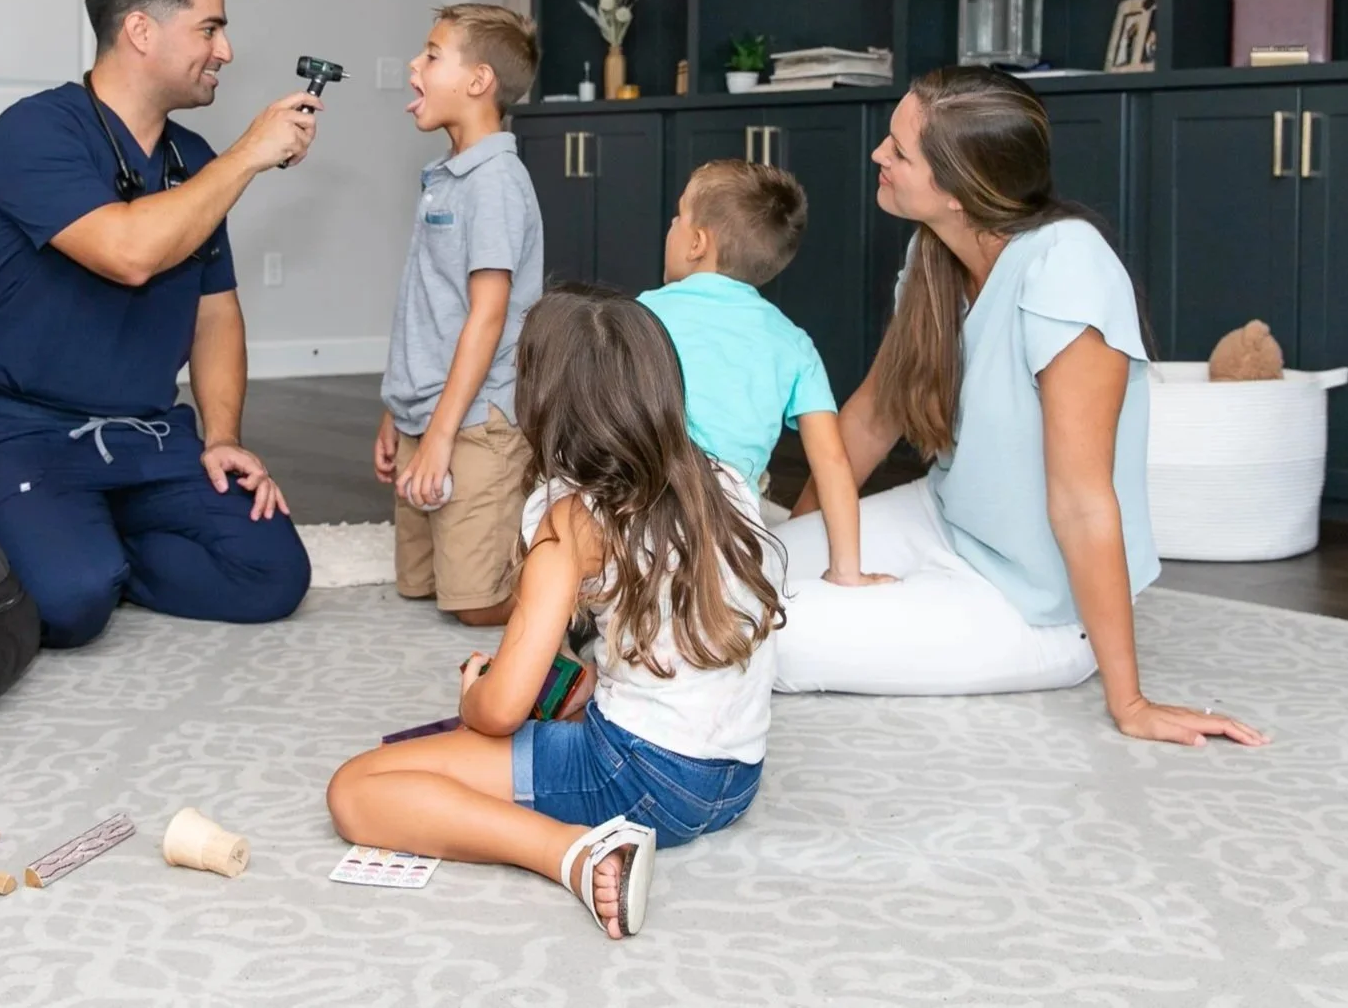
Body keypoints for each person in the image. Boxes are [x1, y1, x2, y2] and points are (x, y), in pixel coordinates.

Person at [769, 66, 1268, 749]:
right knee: (727, 582)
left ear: (960, 190)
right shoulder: (932, 255)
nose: (877, 155)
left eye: (899, 150)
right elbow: (866, 421)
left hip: (1030, 605)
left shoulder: (1066, 268)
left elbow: (1082, 500)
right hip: (942, 518)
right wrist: (781, 552)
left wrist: (1129, 700)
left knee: (750, 636)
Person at [329, 286, 785, 939]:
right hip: (736, 777)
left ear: (543, 407)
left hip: (638, 775)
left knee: (357, 788)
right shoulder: (725, 481)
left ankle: (571, 853)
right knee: (539, 706)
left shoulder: (573, 518)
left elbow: (502, 709)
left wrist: (475, 698)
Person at [0, 0, 322, 649]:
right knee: (69, 604)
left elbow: (215, 313)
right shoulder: (33, 131)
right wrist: (248, 154)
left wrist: (220, 438)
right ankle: (59, 538)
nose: (226, 52)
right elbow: (128, 252)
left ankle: (94, 537)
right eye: (210, 28)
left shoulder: (194, 159)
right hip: (26, 431)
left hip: (149, 435)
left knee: (270, 574)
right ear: (140, 30)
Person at [638, 159, 892, 587]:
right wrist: (847, 571)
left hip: (639, 524)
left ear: (697, 242)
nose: (672, 225)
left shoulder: (640, 315)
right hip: (731, 541)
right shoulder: (792, 342)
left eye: (679, 216)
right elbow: (831, 461)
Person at [373, 4, 545, 627]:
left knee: (477, 606)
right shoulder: (446, 178)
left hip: (474, 422)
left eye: (431, 54)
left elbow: (487, 317)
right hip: (429, 413)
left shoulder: (495, 181)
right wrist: (400, 411)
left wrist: (442, 436)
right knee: (419, 587)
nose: (414, 66)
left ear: (478, 82)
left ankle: (577, 582)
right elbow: (426, 305)